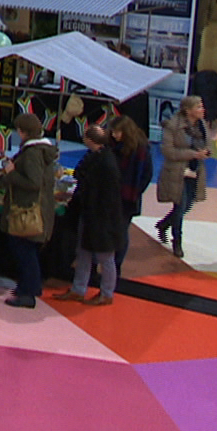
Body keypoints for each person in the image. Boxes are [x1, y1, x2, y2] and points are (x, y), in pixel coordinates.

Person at [0, 113, 59, 309]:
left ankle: (28, 292)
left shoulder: (32, 154)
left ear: (23, 132)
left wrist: (12, 173)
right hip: (40, 209)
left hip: (28, 210)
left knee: (24, 250)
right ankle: (28, 287)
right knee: (27, 250)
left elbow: (33, 182)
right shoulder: (43, 151)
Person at [57, 125, 124, 306]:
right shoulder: (94, 156)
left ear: (89, 140)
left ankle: (107, 293)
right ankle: (78, 289)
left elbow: (107, 195)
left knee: (105, 257)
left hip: (102, 217)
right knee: (83, 253)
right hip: (89, 213)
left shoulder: (107, 162)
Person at [154, 95, 212, 258]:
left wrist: (206, 152)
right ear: (188, 110)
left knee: (188, 204)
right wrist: (193, 154)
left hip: (195, 171)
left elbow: (208, 143)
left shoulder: (202, 125)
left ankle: (164, 223)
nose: (202, 109)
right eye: (198, 106)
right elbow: (168, 151)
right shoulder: (173, 126)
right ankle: (177, 241)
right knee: (180, 206)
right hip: (177, 172)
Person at [109, 114, 153, 266]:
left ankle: (117, 264)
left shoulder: (140, 149)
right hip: (114, 195)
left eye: (117, 132)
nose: (114, 135)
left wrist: (136, 191)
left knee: (121, 232)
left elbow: (147, 174)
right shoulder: (114, 146)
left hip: (128, 198)